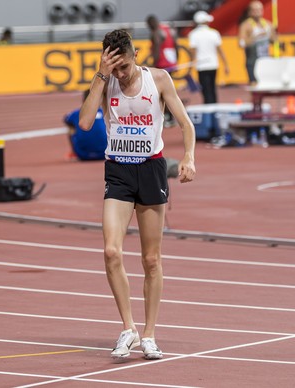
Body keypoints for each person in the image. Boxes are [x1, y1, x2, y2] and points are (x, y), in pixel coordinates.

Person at [78, 29, 196, 360]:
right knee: (111, 252)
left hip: (151, 170)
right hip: (118, 171)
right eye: (115, 67)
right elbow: (86, 123)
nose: (121, 73)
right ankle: (128, 328)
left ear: (135, 56)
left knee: (151, 259)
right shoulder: (104, 81)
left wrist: (188, 157)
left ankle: (149, 335)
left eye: (124, 66)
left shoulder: (158, 80)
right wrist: (101, 76)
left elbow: (186, 124)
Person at [188, 10, 229, 104]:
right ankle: (214, 106)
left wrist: (190, 68)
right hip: (213, 64)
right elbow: (220, 51)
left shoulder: (193, 34)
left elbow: (193, 53)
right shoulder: (214, 33)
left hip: (201, 65)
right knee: (212, 88)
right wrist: (226, 65)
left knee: (205, 89)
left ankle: (208, 107)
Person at [146, 15, 178, 125]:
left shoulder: (156, 33)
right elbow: (176, 45)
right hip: (171, 62)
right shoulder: (168, 30)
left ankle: (167, 116)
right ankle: (171, 116)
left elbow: (157, 49)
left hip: (161, 64)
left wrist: (153, 66)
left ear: (150, 24)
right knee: (169, 91)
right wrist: (176, 62)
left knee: (160, 92)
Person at [238, 0, 276, 85]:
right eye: (254, 10)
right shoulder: (246, 25)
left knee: (268, 85)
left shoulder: (268, 24)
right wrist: (254, 38)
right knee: (255, 86)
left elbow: (274, 40)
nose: (257, 12)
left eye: (259, 9)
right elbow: (241, 44)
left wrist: (273, 35)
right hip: (253, 62)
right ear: (250, 12)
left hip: (266, 61)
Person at [64, 89, 108, 161]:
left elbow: (66, 119)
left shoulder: (76, 113)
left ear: (84, 100)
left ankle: (73, 153)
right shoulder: (105, 112)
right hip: (104, 154)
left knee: (71, 128)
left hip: (82, 154)